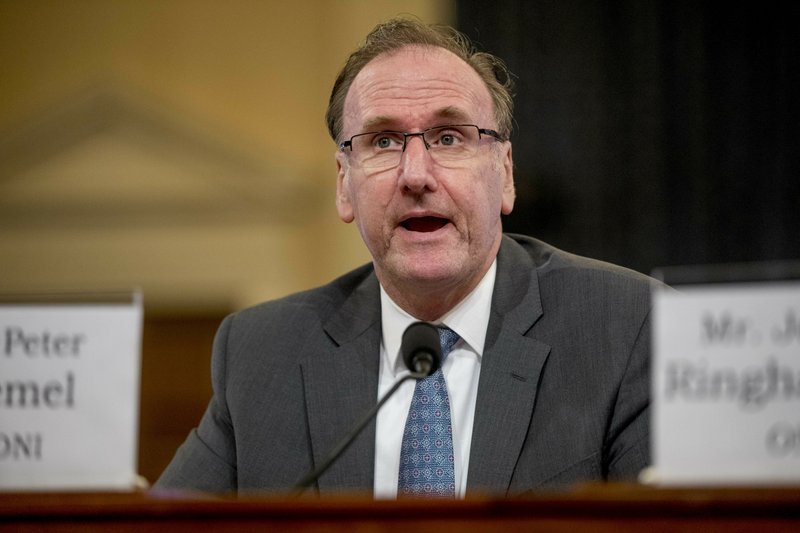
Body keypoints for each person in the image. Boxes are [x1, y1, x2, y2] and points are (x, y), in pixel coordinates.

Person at [155, 18, 657, 498]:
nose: (416, 174)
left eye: (448, 137)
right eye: (384, 141)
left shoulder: (628, 326)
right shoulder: (262, 355)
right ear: (344, 185)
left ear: (504, 174)